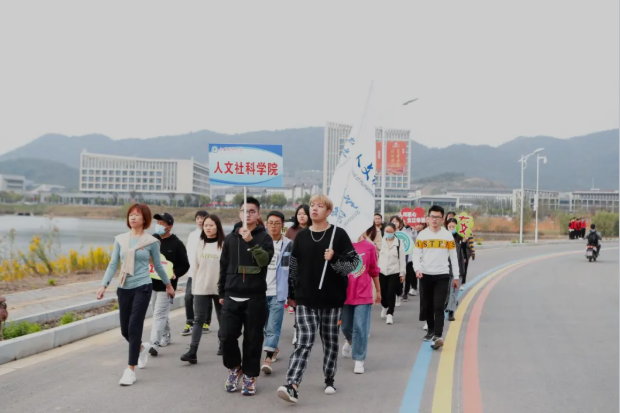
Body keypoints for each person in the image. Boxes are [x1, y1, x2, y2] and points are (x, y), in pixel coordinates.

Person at [277, 194, 360, 404]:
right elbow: (294, 266)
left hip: (332, 298)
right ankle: (292, 385)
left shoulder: (338, 234)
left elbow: (353, 264)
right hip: (306, 297)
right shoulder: (302, 236)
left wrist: (334, 258)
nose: (314, 209)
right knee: (303, 341)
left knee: (330, 341)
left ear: (328, 211)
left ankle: (329, 377)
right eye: (312, 205)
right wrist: (292, 294)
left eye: (320, 206)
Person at [96, 204, 174, 386]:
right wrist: (103, 285)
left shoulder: (151, 242)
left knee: (134, 327)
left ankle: (130, 370)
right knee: (125, 330)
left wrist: (168, 285)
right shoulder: (121, 239)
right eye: (130, 215)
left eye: (137, 215)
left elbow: (158, 265)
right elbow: (113, 264)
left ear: (144, 219)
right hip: (124, 287)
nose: (133, 217)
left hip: (143, 287)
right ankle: (140, 348)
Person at [219, 197, 274, 396]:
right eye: (244, 211)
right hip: (231, 296)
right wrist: (221, 292)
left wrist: (250, 241)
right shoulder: (230, 238)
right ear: (239, 213)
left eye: (252, 211)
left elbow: (264, 261)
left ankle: (250, 375)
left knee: (253, 340)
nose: (247, 214)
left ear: (258, 214)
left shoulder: (265, 238)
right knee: (226, 337)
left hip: (255, 297)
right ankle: (235, 368)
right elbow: (223, 266)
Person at [413, 205, 460, 351]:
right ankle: (431, 330)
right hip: (425, 274)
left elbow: (454, 257)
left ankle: (438, 335)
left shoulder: (447, 236)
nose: (434, 220)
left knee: (438, 306)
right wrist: (417, 269)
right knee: (427, 305)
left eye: (437, 217)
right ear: (428, 218)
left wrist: (456, 276)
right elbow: (416, 254)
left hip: (442, 275)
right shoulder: (422, 235)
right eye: (432, 217)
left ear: (442, 219)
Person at [181, 214, 225, 364]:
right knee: (198, 319)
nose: (208, 228)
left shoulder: (224, 244)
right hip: (201, 286)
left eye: (211, 225)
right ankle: (192, 351)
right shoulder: (199, 244)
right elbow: (194, 268)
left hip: (219, 288)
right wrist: (194, 288)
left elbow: (227, 267)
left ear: (217, 226)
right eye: (206, 225)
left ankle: (223, 344)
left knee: (222, 318)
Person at [149, 213, 190, 357]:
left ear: (169, 226)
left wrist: (175, 273)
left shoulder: (177, 244)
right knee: (156, 312)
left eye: (162, 223)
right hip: (151, 283)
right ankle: (166, 335)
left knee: (159, 314)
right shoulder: (152, 239)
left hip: (167, 286)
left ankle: (154, 343)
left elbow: (185, 265)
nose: (158, 225)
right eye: (157, 222)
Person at [341, 233, 380, 374]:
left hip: (363, 293)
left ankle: (359, 358)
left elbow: (374, 270)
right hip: (344, 293)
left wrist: (378, 290)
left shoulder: (369, 247)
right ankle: (350, 341)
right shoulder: (340, 244)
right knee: (345, 326)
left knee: (360, 327)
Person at [261, 211, 293, 375]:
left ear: (282, 225)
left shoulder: (289, 245)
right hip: (259, 291)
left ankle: (267, 358)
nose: (273, 226)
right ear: (266, 224)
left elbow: (293, 270)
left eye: (277, 223)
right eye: (271, 223)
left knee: (274, 326)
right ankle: (273, 347)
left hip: (278, 292)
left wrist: (292, 294)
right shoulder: (260, 242)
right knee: (263, 326)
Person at [183, 210, 209, 336]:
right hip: (192, 272)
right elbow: (188, 253)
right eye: (198, 218)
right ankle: (189, 321)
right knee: (188, 297)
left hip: (205, 272)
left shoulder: (210, 234)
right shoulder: (192, 235)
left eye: (202, 218)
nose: (200, 220)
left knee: (206, 297)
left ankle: (206, 322)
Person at [378, 223, 406, 325]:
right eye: (386, 231)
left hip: (394, 271)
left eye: (390, 232)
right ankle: (384, 306)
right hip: (381, 271)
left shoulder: (399, 243)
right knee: (383, 293)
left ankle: (390, 313)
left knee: (391, 292)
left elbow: (402, 259)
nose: (388, 233)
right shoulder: (380, 242)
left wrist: (402, 273)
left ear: (394, 232)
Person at [444, 218, 469, 321]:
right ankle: (446, 305)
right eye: (449, 227)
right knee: (446, 291)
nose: (451, 228)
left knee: (454, 291)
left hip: (458, 268)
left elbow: (465, 253)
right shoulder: (443, 237)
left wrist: (464, 243)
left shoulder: (461, 238)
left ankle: (451, 311)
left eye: (453, 227)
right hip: (445, 268)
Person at [389, 215, 412, 304]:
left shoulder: (404, 233)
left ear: (400, 223)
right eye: (393, 221)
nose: (394, 223)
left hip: (402, 256)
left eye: (396, 221)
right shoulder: (388, 233)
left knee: (400, 276)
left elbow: (408, 244)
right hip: (391, 258)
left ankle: (399, 294)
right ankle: (394, 295)